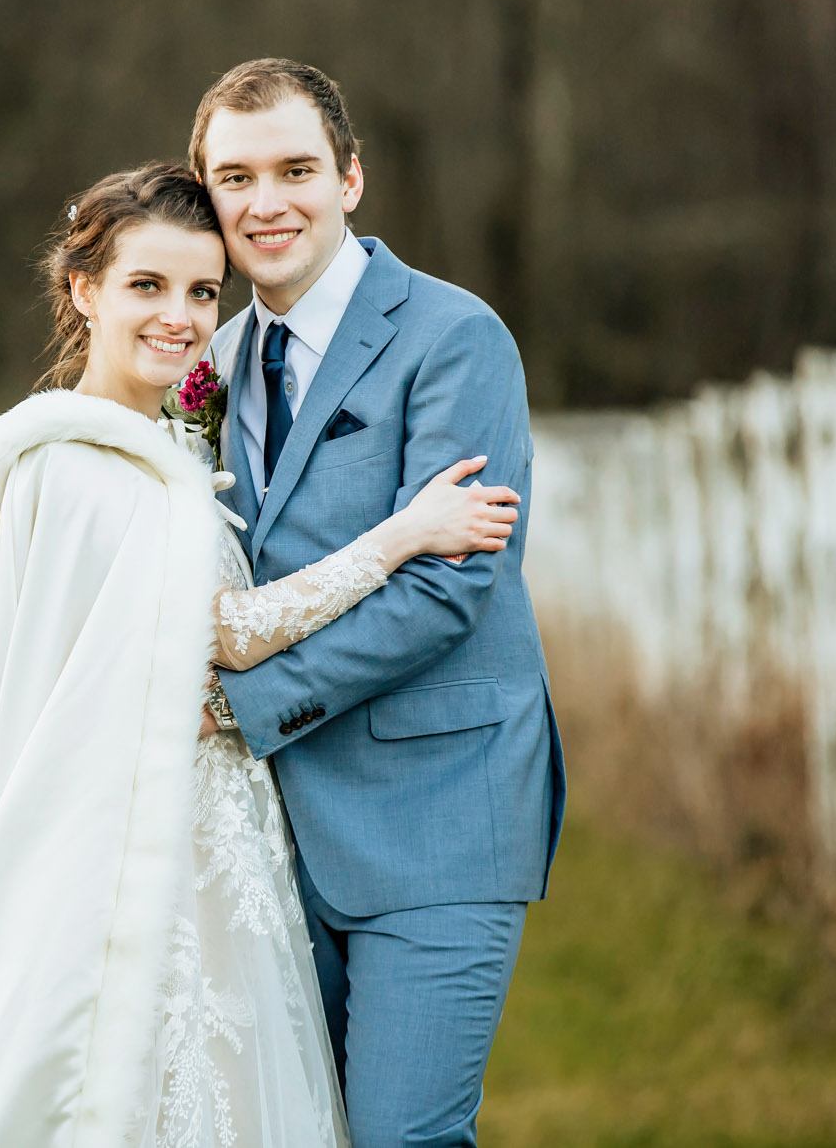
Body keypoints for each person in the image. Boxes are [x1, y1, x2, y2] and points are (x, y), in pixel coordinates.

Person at [0, 161, 521, 1147]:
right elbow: (220, 629)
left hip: (219, 831)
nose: (181, 318)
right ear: (83, 287)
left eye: (201, 291)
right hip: (146, 835)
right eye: (146, 286)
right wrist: (401, 535)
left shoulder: (156, 446)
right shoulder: (78, 466)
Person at [197, 59, 566, 1148]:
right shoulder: (210, 365)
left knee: (403, 1136)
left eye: (295, 169)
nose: (266, 203)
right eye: (235, 178)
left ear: (350, 179)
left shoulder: (453, 338)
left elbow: (448, 589)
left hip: (440, 807)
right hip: (276, 834)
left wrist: (244, 705)